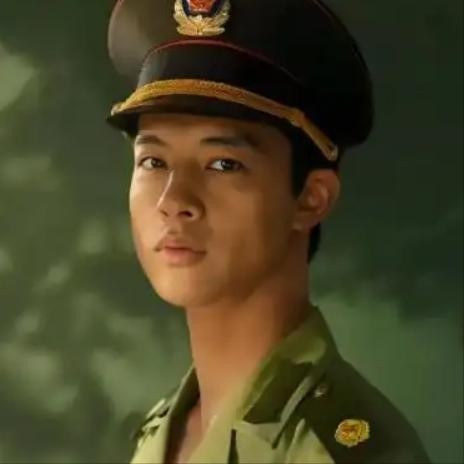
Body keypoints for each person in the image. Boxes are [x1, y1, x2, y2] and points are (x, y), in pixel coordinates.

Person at [106, 0, 431, 462]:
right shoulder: (160, 434)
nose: (174, 200)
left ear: (311, 198)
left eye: (224, 163)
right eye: (154, 161)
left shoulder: (342, 452)